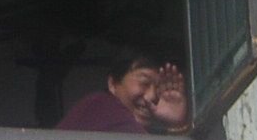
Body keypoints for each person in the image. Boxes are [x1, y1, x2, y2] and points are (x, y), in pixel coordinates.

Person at [57, 52, 190, 135]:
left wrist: (176, 124)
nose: (151, 97)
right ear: (113, 84)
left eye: (159, 88)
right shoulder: (101, 106)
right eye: (144, 83)